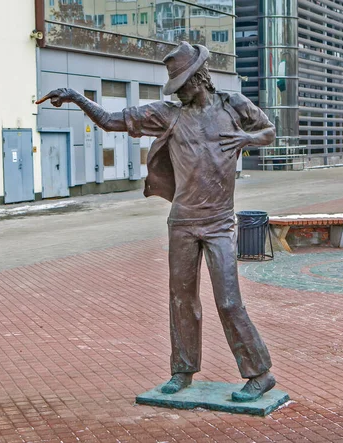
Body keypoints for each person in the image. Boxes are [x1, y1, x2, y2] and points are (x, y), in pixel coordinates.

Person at [37, 42, 277, 402]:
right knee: (181, 299)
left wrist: (247, 138)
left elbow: (269, 132)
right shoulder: (169, 115)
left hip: (219, 223)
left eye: (182, 83)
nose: (177, 91)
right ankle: (182, 371)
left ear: (199, 78)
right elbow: (111, 120)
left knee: (228, 301)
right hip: (181, 222)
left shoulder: (233, 105)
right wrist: (75, 97)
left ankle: (259, 373)